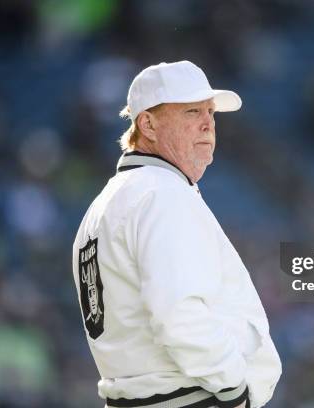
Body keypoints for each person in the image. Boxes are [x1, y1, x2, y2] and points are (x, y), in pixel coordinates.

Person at [72, 60, 281, 408]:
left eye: (211, 113)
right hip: (190, 399)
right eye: (191, 111)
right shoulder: (161, 194)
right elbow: (179, 316)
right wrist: (234, 392)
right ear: (148, 124)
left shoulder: (107, 203)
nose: (207, 124)